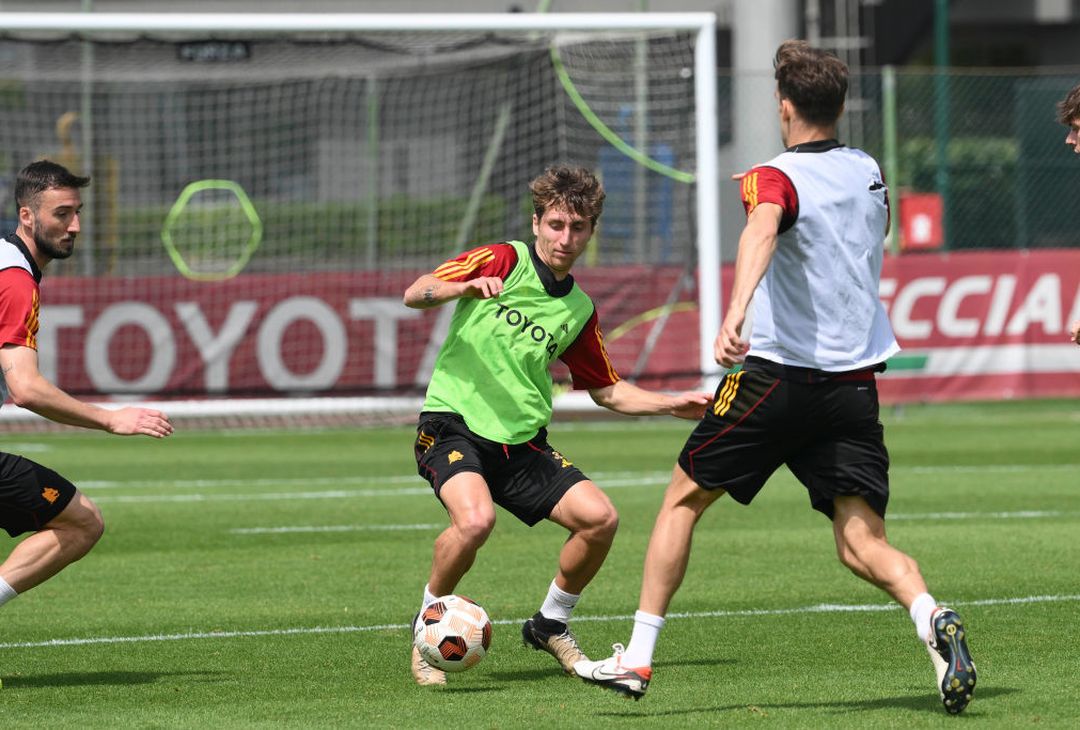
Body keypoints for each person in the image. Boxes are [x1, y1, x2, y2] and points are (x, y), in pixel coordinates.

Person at [573, 41, 977, 715]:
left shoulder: (773, 175)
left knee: (681, 501)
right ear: (842, 107)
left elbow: (762, 229)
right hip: (851, 389)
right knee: (860, 542)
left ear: (784, 108)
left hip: (776, 378)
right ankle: (929, 615)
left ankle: (637, 657)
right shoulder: (868, 170)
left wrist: (735, 312)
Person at [402, 165, 711, 686]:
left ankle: (549, 623)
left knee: (600, 519)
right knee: (475, 522)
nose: (566, 238)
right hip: (452, 424)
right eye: (557, 225)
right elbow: (416, 292)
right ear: (537, 222)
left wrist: (670, 403)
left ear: (591, 231)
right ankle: (425, 631)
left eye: (579, 227)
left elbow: (607, 389)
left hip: (521, 443)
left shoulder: (579, 309)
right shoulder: (503, 258)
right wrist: (464, 288)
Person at [0, 160, 173, 613]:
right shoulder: (14, 281)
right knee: (81, 522)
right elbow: (28, 389)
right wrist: (111, 419)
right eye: (61, 214)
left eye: (78, 212)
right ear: (27, 216)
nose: (74, 225)